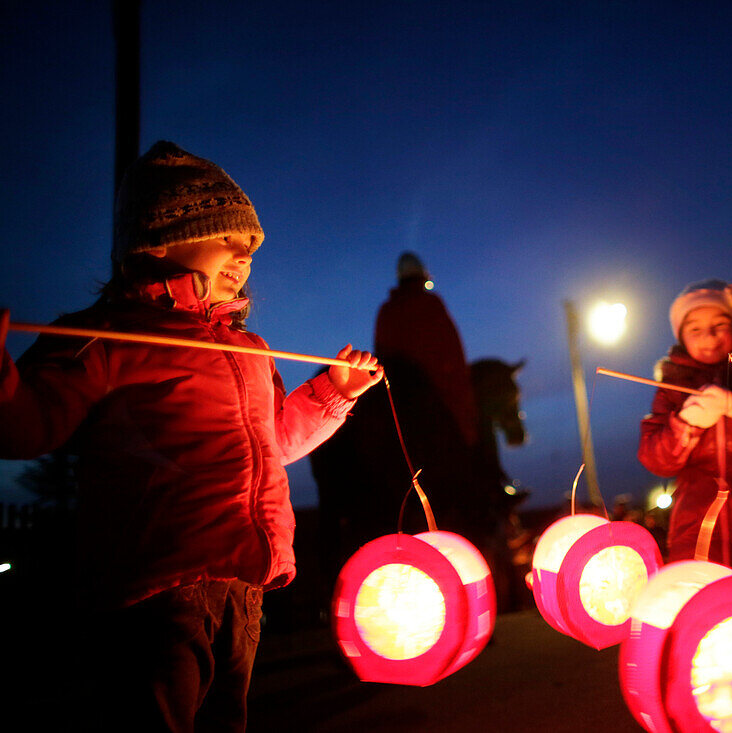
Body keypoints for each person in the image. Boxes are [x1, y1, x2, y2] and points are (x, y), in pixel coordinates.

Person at [0, 141, 382, 731]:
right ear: (158, 241)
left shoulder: (249, 350)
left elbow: (273, 442)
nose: (243, 256)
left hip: (242, 587)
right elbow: (29, 422)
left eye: (250, 246)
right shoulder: (111, 336)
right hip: (158, 589)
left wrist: (335, 391)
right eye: (225, 238)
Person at [638, 279, 732, 570]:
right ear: (682, 337)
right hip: (697, 520)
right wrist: (685, 425)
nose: (708, 336)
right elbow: (654, 457)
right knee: (704, 601)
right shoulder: (672, 386)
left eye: (719, 325)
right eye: (695, 329)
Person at [373, 251, 479, 447]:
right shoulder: (432, 303)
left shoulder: (386, 309)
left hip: (397, 400)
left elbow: (380, 355)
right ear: (423, 276)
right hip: (440, 400)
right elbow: (453, 353)